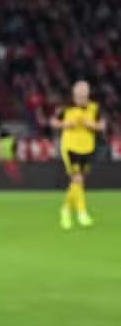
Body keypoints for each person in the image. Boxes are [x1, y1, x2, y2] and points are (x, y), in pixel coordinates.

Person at [52, 80, 104, 229]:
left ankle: (66, 209)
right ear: (74, 93)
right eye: (79, 94)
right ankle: (82, 213)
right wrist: (66, 125)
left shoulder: (94, 108)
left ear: (87, 94)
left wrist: (91, 125)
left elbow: (102, 125)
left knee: (77, 182)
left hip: (87, 147)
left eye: (84, 93)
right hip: (70, 147)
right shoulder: (66, 107)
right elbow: (54, 122)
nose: (81, 96)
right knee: (78, 178)